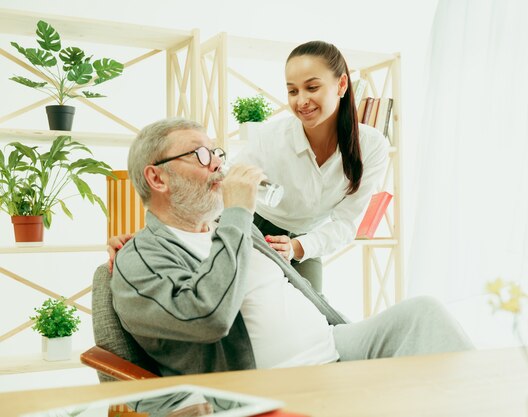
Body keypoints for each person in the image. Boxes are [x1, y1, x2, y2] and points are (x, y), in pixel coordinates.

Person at [110, 117, 473, 377]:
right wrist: (237, 212)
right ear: (157, 177)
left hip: (334, 347)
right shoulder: (141, 259)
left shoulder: (233, 227)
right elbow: (208, 317)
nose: (218, 164)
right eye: (200, 155)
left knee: (423, 314)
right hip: (278, 381)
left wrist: (243, 221)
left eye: (216, 152)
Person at [232, 40, 390, 293]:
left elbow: (346, 223)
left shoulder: (372, 146)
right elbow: (229, 181)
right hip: (257, 230)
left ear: (341, 84)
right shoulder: (270, 137)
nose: (301, 101)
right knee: (254, 308)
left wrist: (296, 247)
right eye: (293, 91)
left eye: (312, 87)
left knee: (315, 313)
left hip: (305, 240)